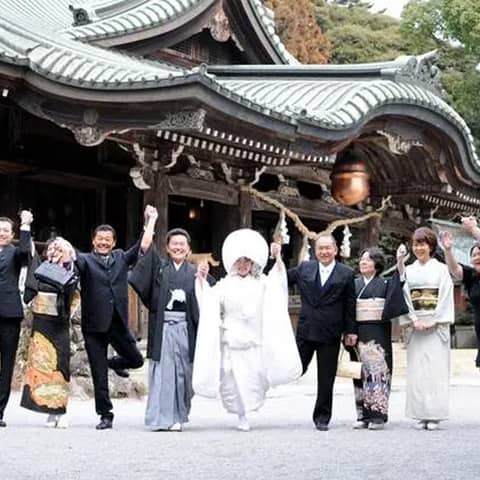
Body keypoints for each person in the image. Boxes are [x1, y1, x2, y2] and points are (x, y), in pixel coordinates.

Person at [194, 230, 302, 432]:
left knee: (253, 376)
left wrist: (277, 257)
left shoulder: (262, 283)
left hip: (253, 338)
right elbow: (209, 300)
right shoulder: (224, 284)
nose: (243, 265)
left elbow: (278, 280)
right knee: (231, 378)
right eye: (239, 261)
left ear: (253, 263)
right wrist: (201, 280)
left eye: (247, 261)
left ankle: (249, 408)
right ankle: (240, 413)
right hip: (232, 337)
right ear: (233, 263)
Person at [129, 206, 211, 432]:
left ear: (188, 249)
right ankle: (162, 418)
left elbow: (208, 302)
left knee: (184, 374)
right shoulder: (160, 269)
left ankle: (180, 415)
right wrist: (152, 220)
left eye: (182, 244)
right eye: (173, 244)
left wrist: (202, 281)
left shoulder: (195, 271)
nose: (177, 247)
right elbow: (145, 248)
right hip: (164, 327)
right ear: (166, 248)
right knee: (164, 373)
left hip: (186, 329)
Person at [74, 222, 144, 430]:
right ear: (94, 241)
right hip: (94, 325)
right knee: (98, 373)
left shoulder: (121, 257)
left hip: (117, 322)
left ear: (113, 242)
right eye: (100, 239)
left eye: (108, 240)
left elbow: (143, 246)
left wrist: (150, 222)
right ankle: (106, 414)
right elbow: (72, 259)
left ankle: (113, 363)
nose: (104, 242)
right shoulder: (85, 260)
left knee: (136, 359)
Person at [287, 233, 357, 431]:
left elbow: (350, 305)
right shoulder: (305, 268)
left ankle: (322, 417)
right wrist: (274, 258)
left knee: (326, 378)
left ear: (335, 250)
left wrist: (350, 331)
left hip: (331, 331)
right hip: (306, 329)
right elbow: (280, 278)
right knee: (294, 367)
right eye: (321, 248)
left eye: (328, 248)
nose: (324, 252)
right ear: (315, 250)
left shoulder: (346, 273)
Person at [21, 237, 78, 428]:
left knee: (59, 367)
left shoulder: (70, 268)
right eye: (52, 247)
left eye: (59, 248)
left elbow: (73, 291)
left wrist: (67, 258)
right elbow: (31, 287)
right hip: (41, 323)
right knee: (41, 367)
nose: (55, 250)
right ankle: (48, 409)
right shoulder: (42, 267)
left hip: (59, 323)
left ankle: (61, 410)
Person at [349, 245, 409, 430]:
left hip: (378, 332)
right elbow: (347, 310)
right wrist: (347, 331)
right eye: (361, 259)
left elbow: (400, 280)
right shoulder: (353, 284)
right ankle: (362, 416)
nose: (363, 262)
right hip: (357, 332)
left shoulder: (385, 284)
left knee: (378, 372)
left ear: (377, 264)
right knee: (359, 372)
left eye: (368, 259)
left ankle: (378, 416)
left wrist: (399, 261)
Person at [401, 227, 454, 431]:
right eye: (415, 244)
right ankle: (420, 413)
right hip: (416, 323)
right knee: (417, 370)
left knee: (435, 369)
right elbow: (405, 295)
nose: (418, 248)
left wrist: (435, 320)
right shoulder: (409, 270)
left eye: (422, 244)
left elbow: (446, 294)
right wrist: (413, 319)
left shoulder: (441, 269)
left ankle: (434, 414)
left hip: (435, 323)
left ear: (431, 246)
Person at [0, 210, 33, 427]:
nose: (1, 234)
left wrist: (25, 226)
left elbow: (25, 254)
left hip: (9, 313)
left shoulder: (15, 252)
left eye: (5, 231)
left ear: (11, 234)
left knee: (7, 362)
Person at [440, 216, 480, 368]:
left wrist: (473, 230)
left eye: (479, 253)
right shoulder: (472, 277)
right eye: (474, 255)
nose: (476, 257)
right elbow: (455, 269)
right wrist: (448, 250)